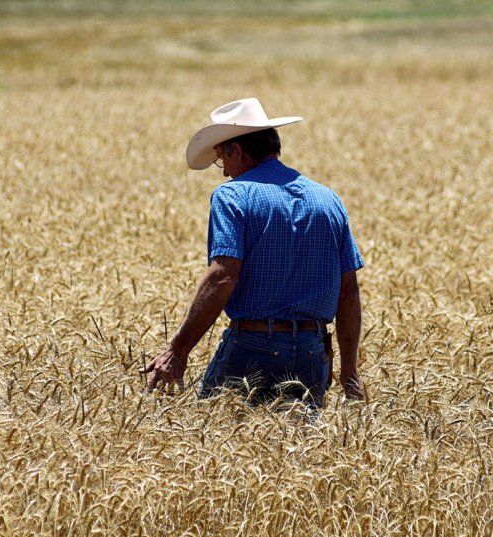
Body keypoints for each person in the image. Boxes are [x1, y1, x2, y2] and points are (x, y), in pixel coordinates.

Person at [141, 97, 366, 408]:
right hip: (312, 353)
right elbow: (348, 292)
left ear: (237, 150)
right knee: (298, 450)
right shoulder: (328, 199)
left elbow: (222, 277)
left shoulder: (233, 196)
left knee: (216, 443)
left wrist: (177, 350)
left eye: (222, 159)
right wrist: (349, 372)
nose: (224, 172)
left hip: (251, 346)